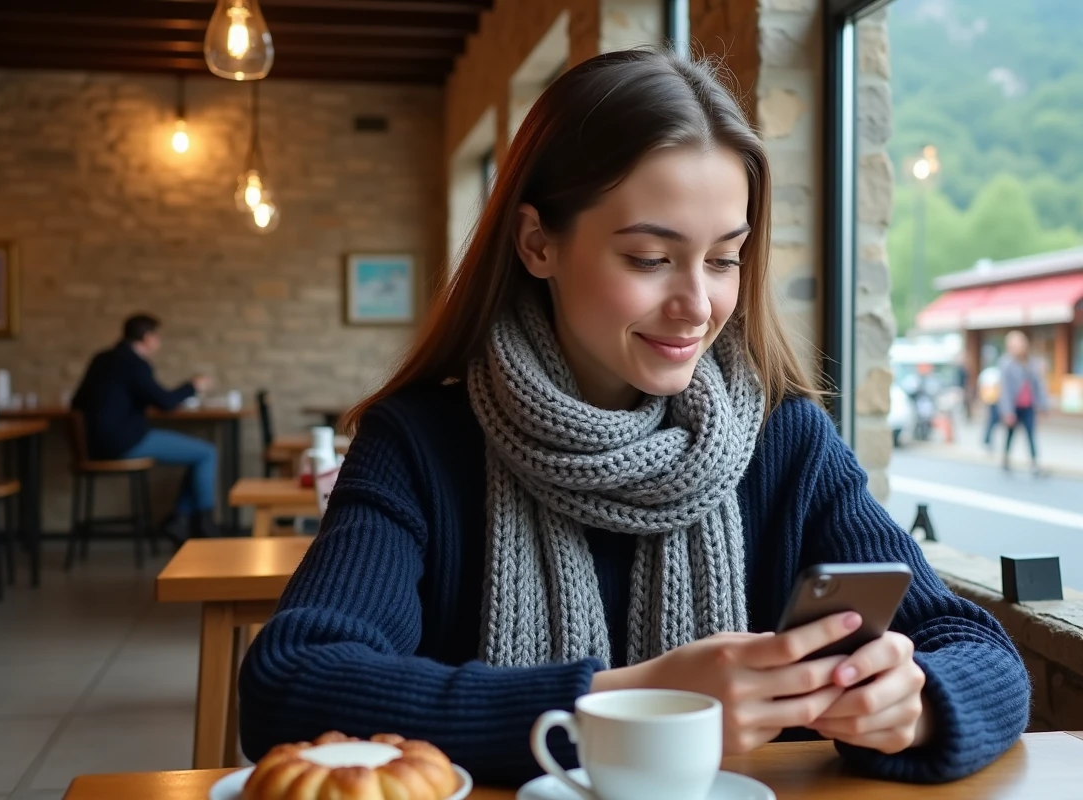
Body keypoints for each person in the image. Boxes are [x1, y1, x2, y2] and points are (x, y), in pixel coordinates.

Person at [238, 51, 1029, 787]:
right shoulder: (420, 444)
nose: (697, 306)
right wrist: (631, 702)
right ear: (538, 242)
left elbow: (984, 657)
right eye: (650, 259)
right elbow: (291, 682)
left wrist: (911, 705)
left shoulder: (786, 441)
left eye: (724, 259)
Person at [71, 314, 217, 541]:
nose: (158, 343)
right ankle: (204, 525)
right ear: (148, 338)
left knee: (197, 455)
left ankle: (179, 521)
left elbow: (76, 403)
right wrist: (193, 386)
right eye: (157, 337)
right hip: (123, 442)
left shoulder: (102, 358)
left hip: (95, 445)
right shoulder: (134, 363)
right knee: (207, 453)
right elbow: (166, 402)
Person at [997, 331, 1050, 475]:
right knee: (1010, 434)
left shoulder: (1032, 362)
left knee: (1031, 434)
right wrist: (1007, 411)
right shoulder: (1006, 363)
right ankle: (1006, 459)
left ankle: (1034, 464)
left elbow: (1039, 385)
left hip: (1028, 406)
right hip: (1014, 406)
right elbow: (1005, 390)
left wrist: (1044, 405)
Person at [977, 362, 1002, 449]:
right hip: (992, 402)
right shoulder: (992, 376)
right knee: (991, 422)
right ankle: (987, 440)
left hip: (993, 401)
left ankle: (987, 440)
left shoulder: (990, 375)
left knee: (991, 422)